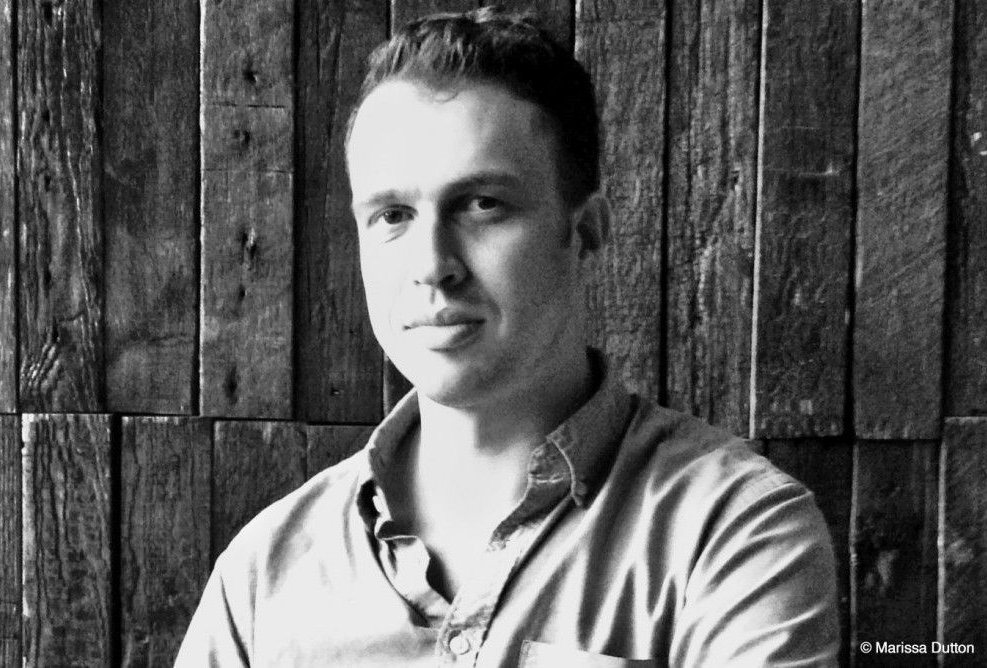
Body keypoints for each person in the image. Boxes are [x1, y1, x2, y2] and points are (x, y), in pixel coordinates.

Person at [175, 8, 839, 667]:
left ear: (585, 233)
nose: (433, 264)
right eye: (393, 215)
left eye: (481, 205)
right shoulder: (264, 575)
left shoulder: (733, 532)